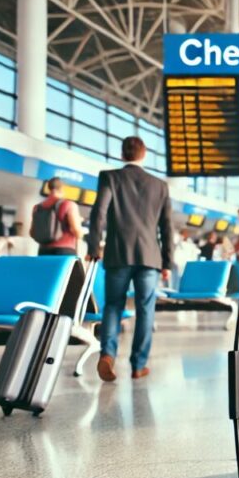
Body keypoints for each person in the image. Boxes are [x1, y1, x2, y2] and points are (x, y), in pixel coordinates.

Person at [87, 136, 173, 382]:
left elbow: (98, 214)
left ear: (122, 154)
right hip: (149, 256)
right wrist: (167, 262)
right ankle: (138, 365)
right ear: (143, 154)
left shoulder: (110, 177)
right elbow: (167, 227)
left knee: (113, 305)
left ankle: (108, 355)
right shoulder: (159, 185)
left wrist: (94, 247)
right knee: (146, 309)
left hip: (118, 253)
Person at [31, 177, 82, 256]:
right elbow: (76, 231)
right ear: (62, 188)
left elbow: (31, 232)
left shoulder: (37, 208)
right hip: (64, 251)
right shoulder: (69, 205)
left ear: (48, 188)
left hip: (43, 251)